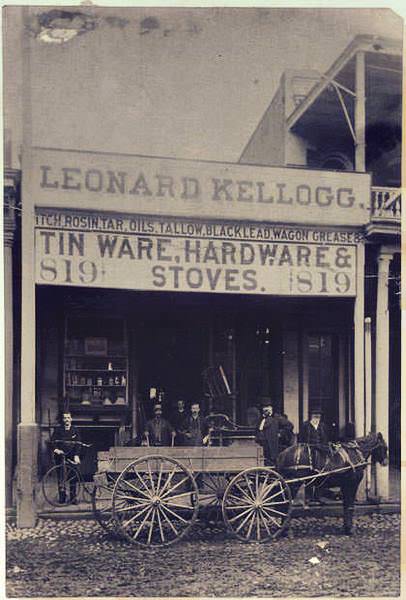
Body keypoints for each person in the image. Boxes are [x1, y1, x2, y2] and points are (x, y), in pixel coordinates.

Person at [299, 408, 330, 504]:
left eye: (318, 416)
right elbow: (301, 439)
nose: (317, 417)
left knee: (321, 474)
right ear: (311, 416)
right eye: (315, 415)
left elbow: (326, 439)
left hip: (321, 452)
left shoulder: (323, 426)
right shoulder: (305, 425)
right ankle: (308, 496)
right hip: (309, 451)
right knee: (309, 473)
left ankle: (318, 496)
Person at [51, 411, 82, 504]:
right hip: (60, 457)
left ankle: (73, 498)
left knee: (73, 476)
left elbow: (78, 443)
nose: (67, 420)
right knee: (61, 477)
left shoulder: (75, 430)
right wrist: (56, 449)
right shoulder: (58, 430)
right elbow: (52, 441)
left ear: (71, 419)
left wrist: (76, 455)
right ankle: (62, 497)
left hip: (72, 456)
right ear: (63, 420)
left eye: (68, 418)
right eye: (65, 418)